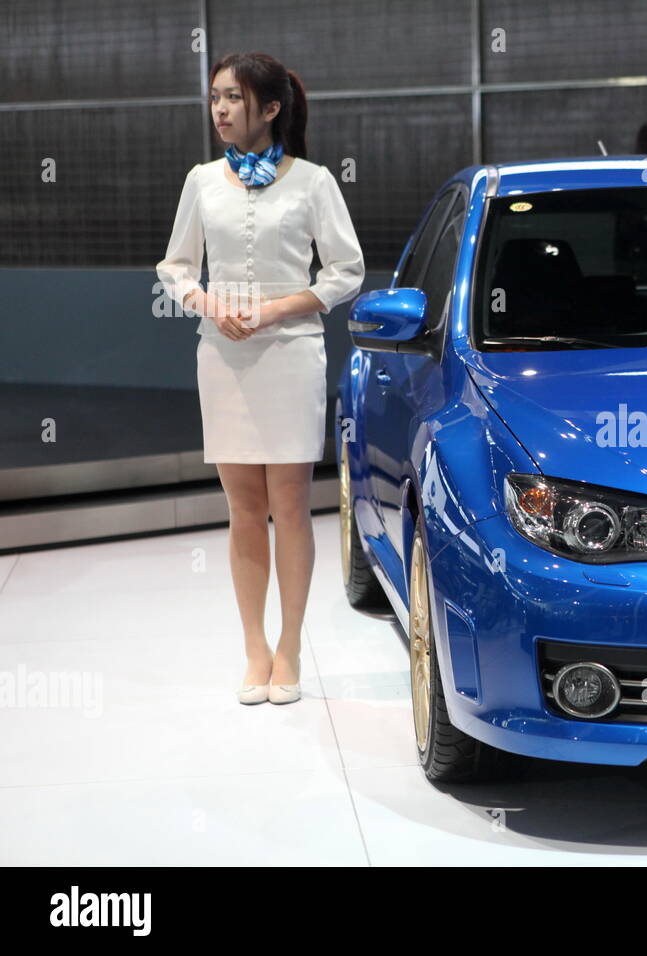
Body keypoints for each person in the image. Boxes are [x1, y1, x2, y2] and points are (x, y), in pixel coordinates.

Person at [155, 52, 365, 706]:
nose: (219, 109)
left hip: (293, 352)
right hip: (222, 355)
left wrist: (277, 307)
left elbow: (346, 272)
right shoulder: (201, 181)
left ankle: (291, 645)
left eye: (233, 98)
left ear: (270, 108)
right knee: (243, 508)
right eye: (214, 97)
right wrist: (211, 304)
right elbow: (176, 268)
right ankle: (254, 647)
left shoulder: (313, 182)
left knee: (292, 504)